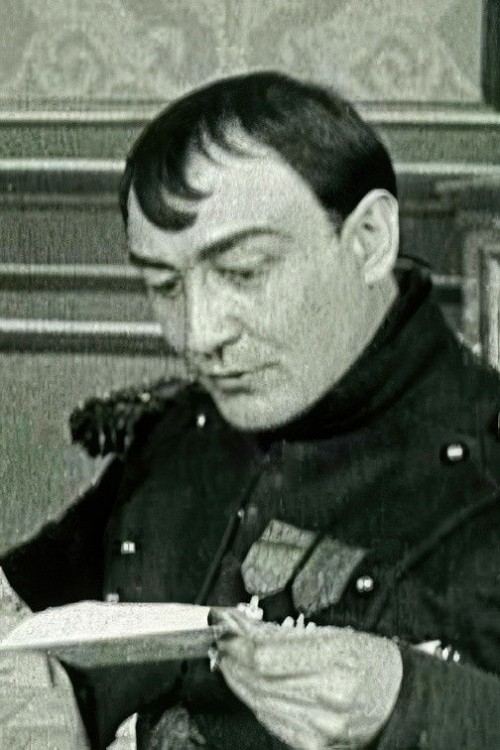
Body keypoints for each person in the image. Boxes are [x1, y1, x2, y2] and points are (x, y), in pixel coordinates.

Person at [2, 70, 500, 749]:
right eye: (164, 284)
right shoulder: (183, 431)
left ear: (368, 239)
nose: (199, 335)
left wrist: (412, 702)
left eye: (242, 272)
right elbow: (26, 597)